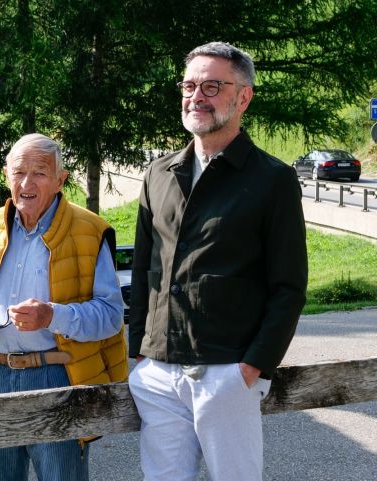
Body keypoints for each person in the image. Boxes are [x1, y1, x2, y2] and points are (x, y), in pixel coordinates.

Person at [127, 42, 308, 481]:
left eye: (212, 86)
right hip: (158, 371)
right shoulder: (158, 174)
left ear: (242, 97)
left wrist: (252, 368)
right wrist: (139, 355)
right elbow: (144, 270)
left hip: (227, 372)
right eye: (189, 85)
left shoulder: (273, 180)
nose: (197, 96)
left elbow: (289, 287)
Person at [0, 133, 128, 481]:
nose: (27, 183)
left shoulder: (90, 230)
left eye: (39, 173)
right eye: (19, 172)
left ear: (60, 180)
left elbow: (111, 317)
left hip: (59, 377)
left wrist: (52, 316)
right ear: (6, 174)